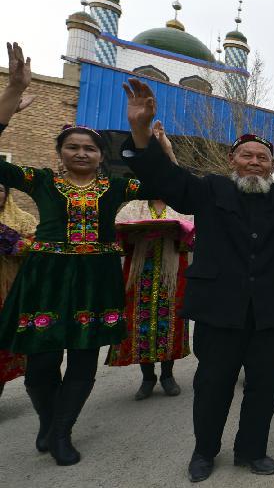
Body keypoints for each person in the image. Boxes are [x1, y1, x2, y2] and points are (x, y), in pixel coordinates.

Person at [119, 77, 274, 482]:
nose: (255, 162)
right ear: (232, 160)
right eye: (246, 156)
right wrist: (141, 131)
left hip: (271, 313)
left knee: (264, 388)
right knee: (212, 386)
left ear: (272, 165)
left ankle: (252, 450)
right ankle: (204, 451)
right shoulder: (209, 191)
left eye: (263, 157)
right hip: (220, 312)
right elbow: (167, 180)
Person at [0, 42, 155, 466]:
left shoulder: (117, 187)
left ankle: (63, 433)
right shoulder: (41, 181)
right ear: (60, 154)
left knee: (84, 363)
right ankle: (48, 421)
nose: (82, 153)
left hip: (96, 278)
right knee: (40, 367)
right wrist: (12, 93)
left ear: (102, 156)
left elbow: (163, 181)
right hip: (46, 277)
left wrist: (144, 134)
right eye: (74, 147)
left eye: (90, 148)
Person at [106, 143, 194, 400]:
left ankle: (167, 375)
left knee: (172, 324)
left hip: (173, 273)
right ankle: (147, 378)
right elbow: (117, 239)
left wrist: (178, 234)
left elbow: (194, 238)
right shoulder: (133, 207)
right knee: (139, 323)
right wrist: (135, 234)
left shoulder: (183, 207)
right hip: (138, 273)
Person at [0, 181, 37, 397]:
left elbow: (37, 246)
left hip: (10, 289)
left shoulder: (23, 219)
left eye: (0, 189)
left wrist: (14, 244)